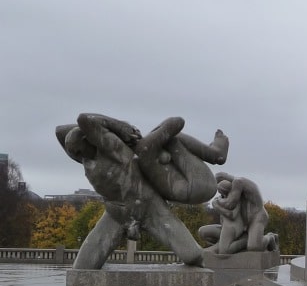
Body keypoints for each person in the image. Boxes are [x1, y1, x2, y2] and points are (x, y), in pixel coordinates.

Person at [55, 114, 208, 269]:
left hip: (149, 208)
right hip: (116, 214)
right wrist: (78, 136)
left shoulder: (110, 146)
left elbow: (84, 119)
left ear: (89, 140)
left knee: (193, 255)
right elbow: (60, 131)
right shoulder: (85, 159)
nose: (77, 156)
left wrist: (120, 127)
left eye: (79, 151)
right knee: (83, 267)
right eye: (74, 153)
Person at [134, 116, 228, 205]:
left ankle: (214, 153)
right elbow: (177, 122)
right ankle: (216, 154)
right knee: (172, 138)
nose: (138, 132)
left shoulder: (139, 158)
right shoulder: (144, 148)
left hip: (190, 187)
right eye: (134, 130)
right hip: (196, 185)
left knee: (168, 139)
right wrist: (156, 130)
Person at [199, 173, 277, 254]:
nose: (222, 195)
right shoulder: (238, 188)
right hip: (245, 220)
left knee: (254, 246)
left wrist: (216, 202)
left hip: (257, 217)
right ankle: (224, 245)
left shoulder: (238, 182)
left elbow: (230, 204)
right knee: (212, 237)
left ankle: (270, 237)